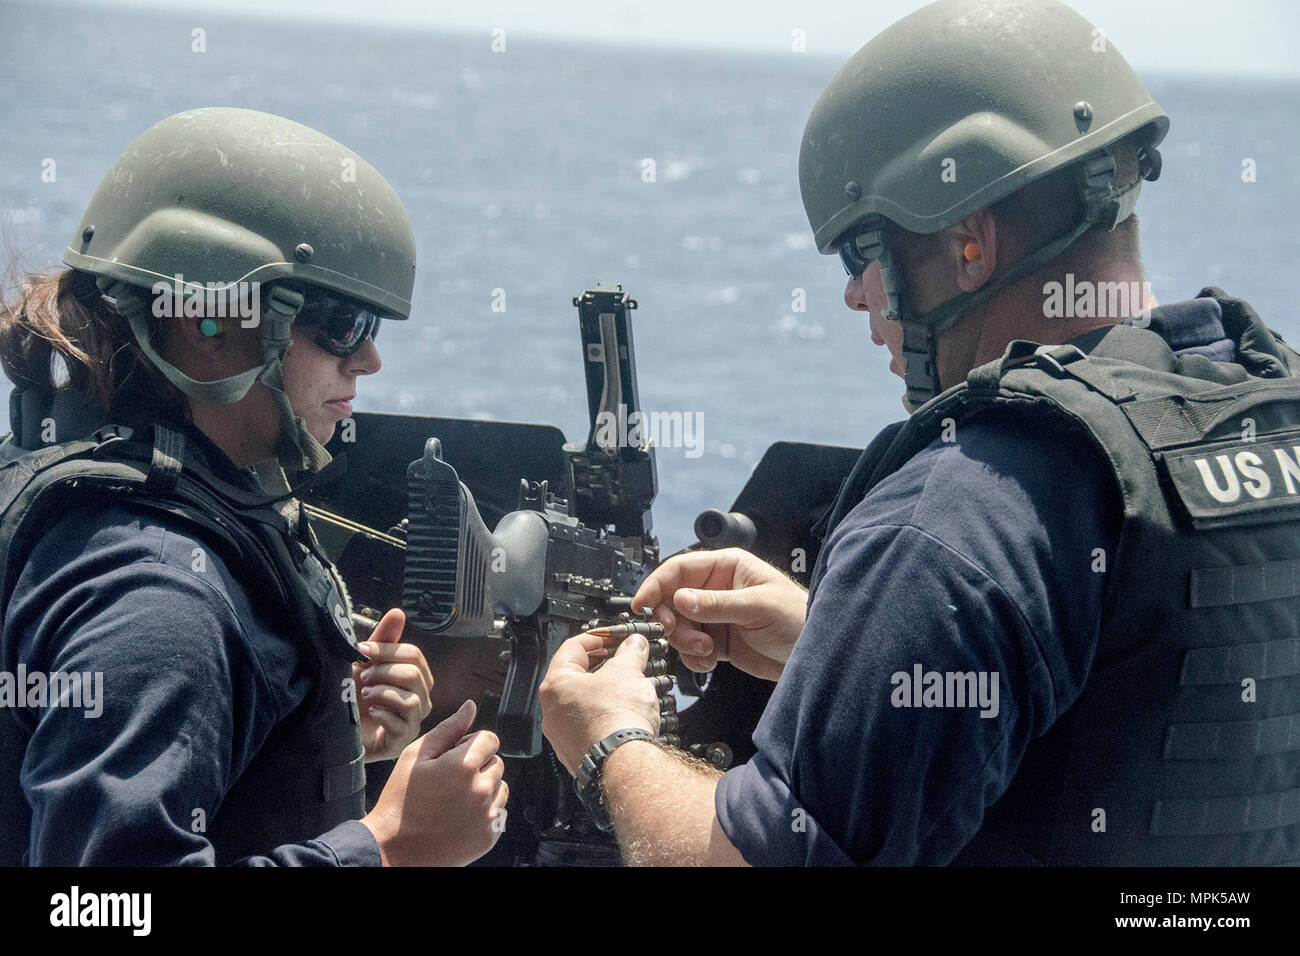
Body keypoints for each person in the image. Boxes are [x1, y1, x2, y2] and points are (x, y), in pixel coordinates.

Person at [538, 0, 1300, 865]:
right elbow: (1124, 712)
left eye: (859, 253)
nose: (856, 295)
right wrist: (844, 648)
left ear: (970, 242)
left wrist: (610, 742)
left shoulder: (962, 513)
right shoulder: (1262, 415)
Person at [0, 107, 508, 865]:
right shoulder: (156, 601)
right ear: (209, 325)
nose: (367, 360)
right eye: (340, 321)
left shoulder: (75, 482)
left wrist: (320, 743)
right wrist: (393, 845)